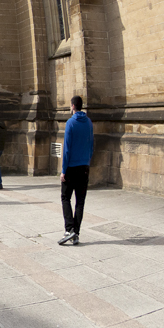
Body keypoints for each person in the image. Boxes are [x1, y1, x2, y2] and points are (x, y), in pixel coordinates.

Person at [59, 96, 94, 246]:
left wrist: (63, 170)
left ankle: (69, 230)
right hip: (84, 167)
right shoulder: (89, 122)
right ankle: (76, 233)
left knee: (65, 198)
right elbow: (91, 145)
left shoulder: (70, 123)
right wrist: (87, 161)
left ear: (73, 106)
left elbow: (66, 150)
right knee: (80, 201)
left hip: (71, 168)